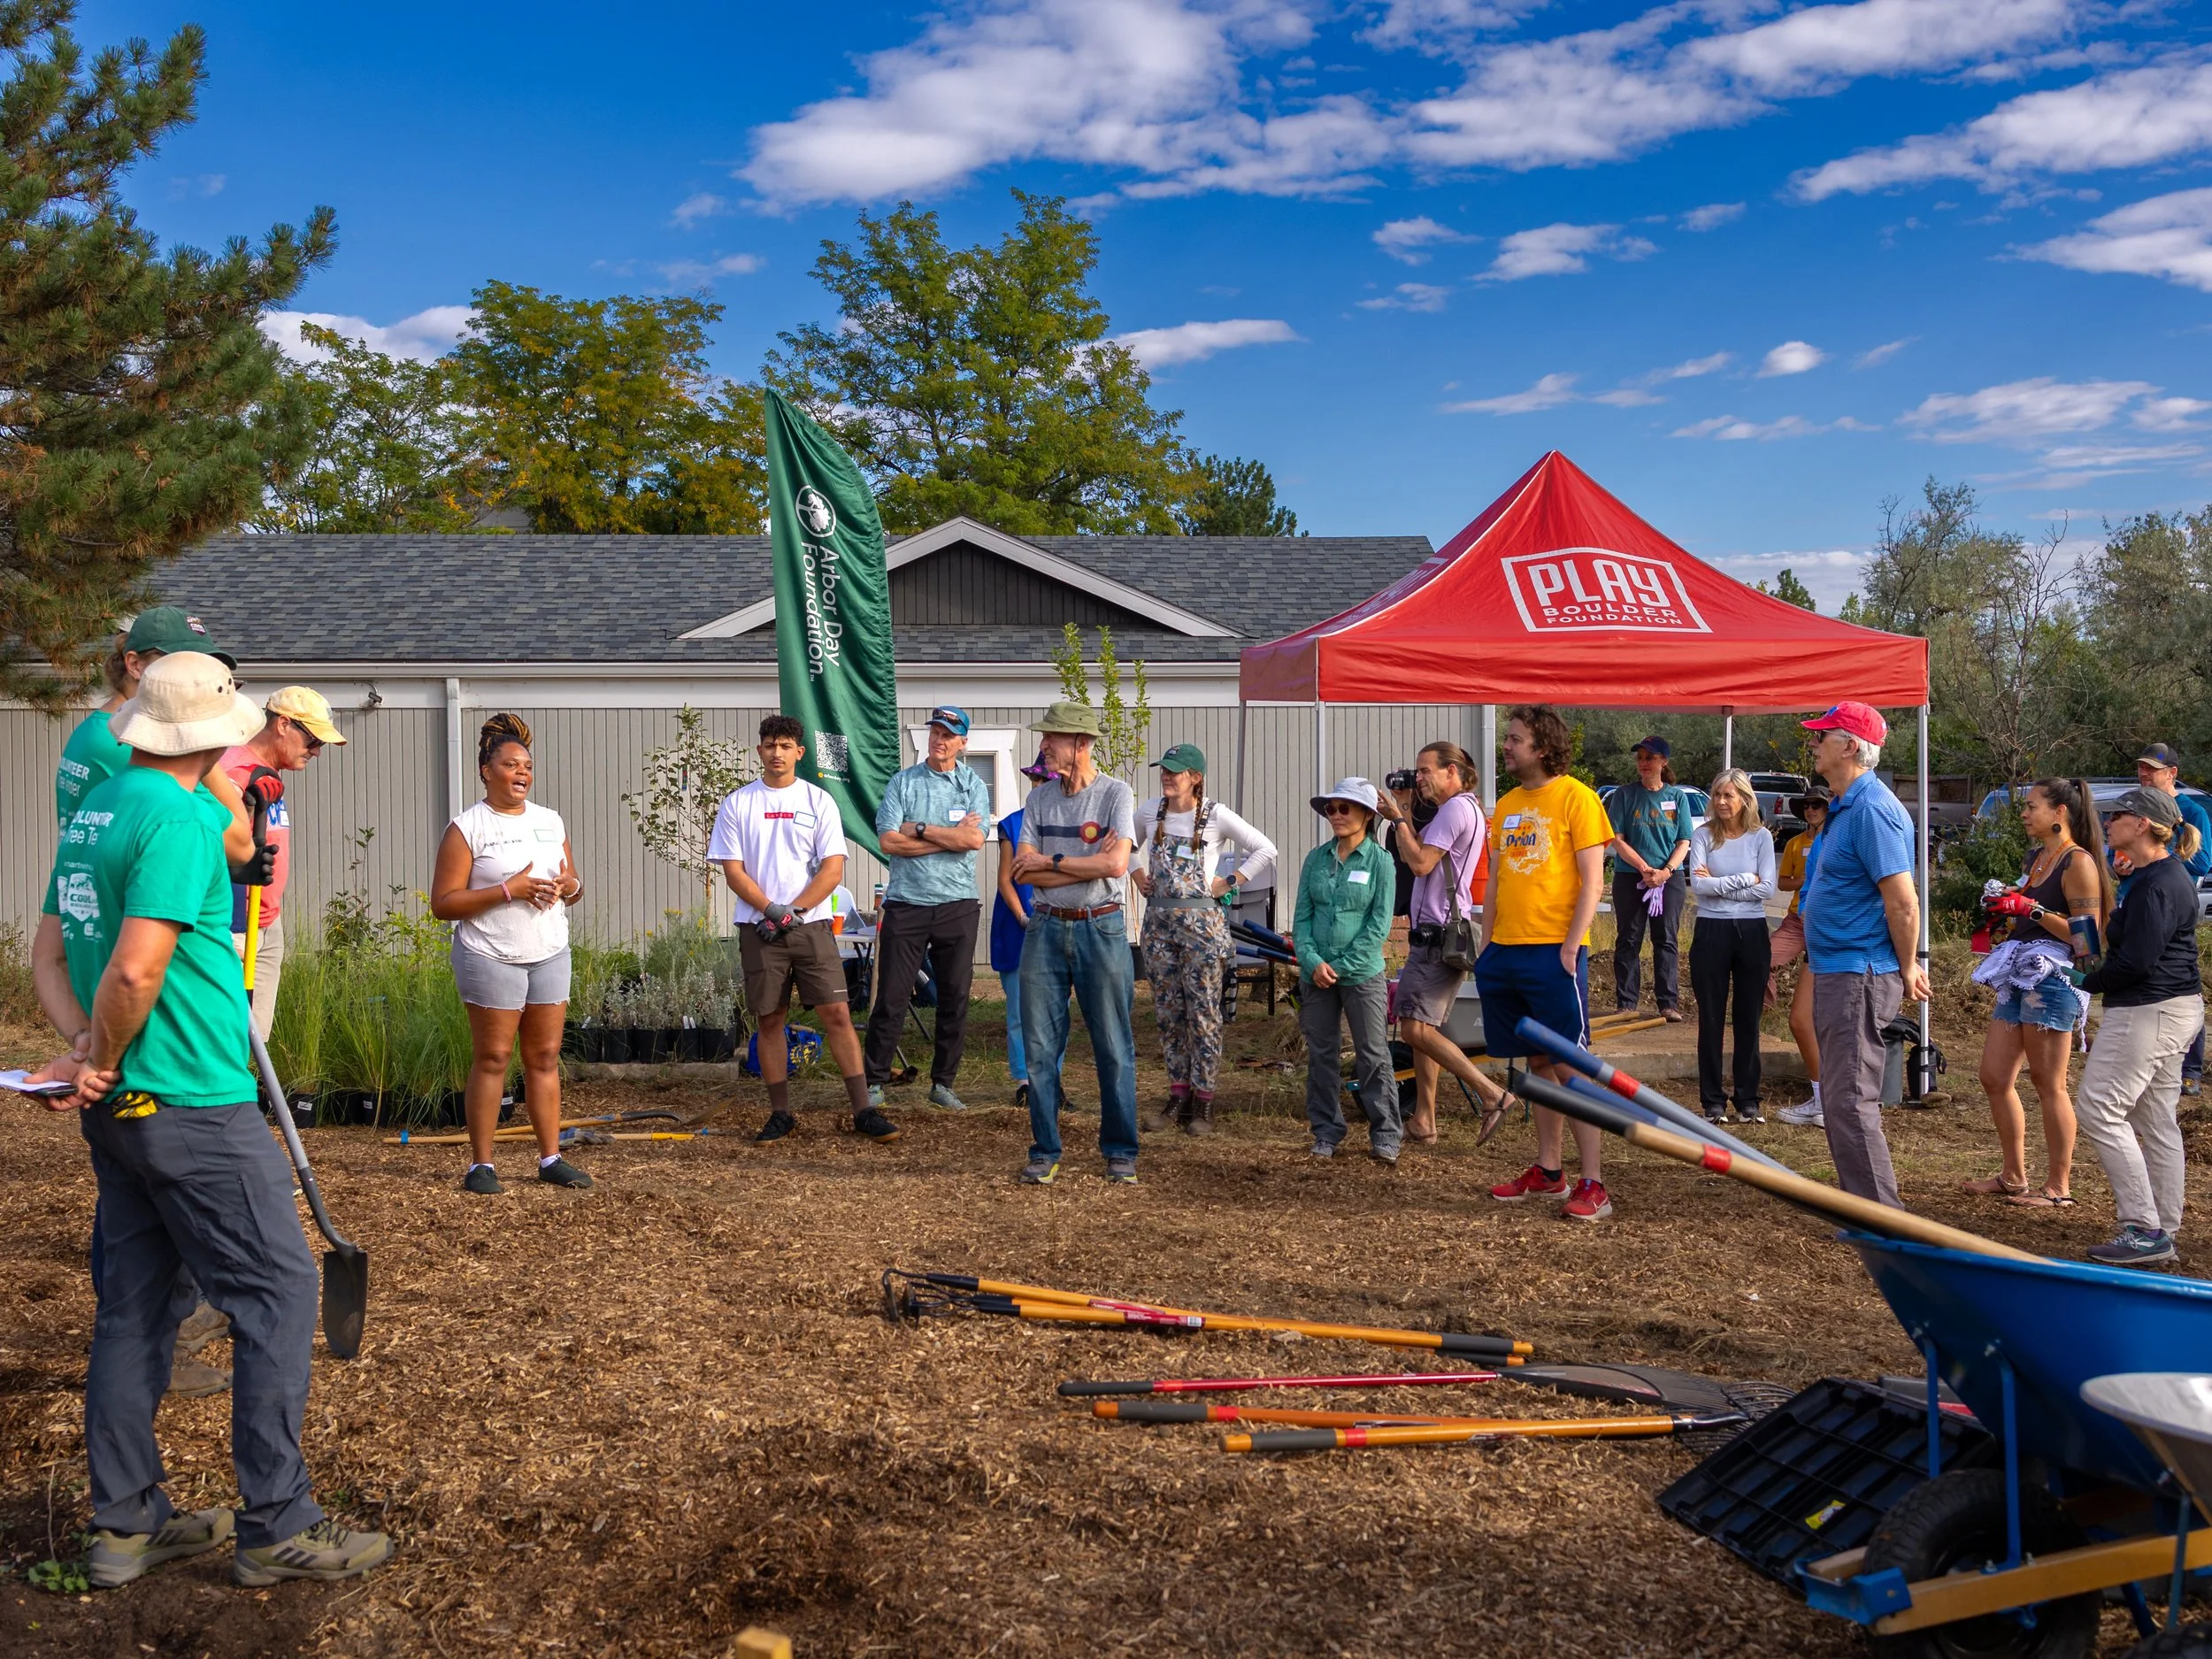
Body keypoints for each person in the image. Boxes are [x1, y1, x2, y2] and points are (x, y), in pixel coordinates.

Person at [27, 652, 392, 1588]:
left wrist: (78, 1051)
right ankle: (277, 1523)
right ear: (216, 733)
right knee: (276, 1294)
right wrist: (99, 1057)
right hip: (191, 1100)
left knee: (135, 1311)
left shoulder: (96, 812)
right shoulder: (182, 817)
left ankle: (127, 1525)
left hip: (122, 1119)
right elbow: (137, 969)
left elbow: (50, 953)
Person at [54, 608, 257, 1400]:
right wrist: (98, 1051)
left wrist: (80, 1037)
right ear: (138, 667)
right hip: (167, 1033)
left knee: (128, 1201)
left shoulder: (86, 744)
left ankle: (126, 1506)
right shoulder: (156, 784)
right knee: (270, 1279)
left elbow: (56, 924)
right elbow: (238, 846)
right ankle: (274, 1506)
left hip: (109, 976)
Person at [710, 715, 901, 1146]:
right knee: (771, 1018)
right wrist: (770, 910)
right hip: (760, 929)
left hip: (809, 926)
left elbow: (832, 869)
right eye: (769, 745)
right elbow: (733, 870)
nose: (776, 752)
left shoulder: (819, 801)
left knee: (837, 1015)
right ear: (758, 751)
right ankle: (781, 1115)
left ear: (799, 752)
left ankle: (863, 1111)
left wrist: (795, 910)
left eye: (785, 745)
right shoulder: (738, 803)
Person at [429, 715, 590, 1194]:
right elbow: (443, 904)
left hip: (548, 950)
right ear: (486, 770)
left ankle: (550, 1157)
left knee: (544, 1056)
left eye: (527, 766)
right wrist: (508, 889)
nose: (521, 773)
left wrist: (569, 886)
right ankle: (481, 1165)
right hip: (490, 953)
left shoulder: (549, 820)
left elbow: (574, 882)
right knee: (494, 1056)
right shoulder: (468, 828)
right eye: (510, 765)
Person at [1480, 707, 1617, 1220]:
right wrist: (1486, 943)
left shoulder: (1577, 798)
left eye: (1515, 739)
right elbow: (1495, 881)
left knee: (1571, 1065)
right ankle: (1549, 1173)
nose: (1507, 747)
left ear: (1542, 746)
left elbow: (1593, 881)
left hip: (1553, 950)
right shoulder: (1508, 804)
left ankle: (1594, 1183)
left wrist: (1571, 945)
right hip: (1506, 951)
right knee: (1537, 1065)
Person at [1798, 701, 1925, 1209]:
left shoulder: (1873, 809)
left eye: (1822, 735)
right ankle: (1863, 1203)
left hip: (1862, 972)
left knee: (1850, 1098)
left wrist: (1909, 963)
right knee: (1840, 1097)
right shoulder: (1847, 805)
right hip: (1841, 969)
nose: (1813, 743)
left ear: (1850, 746)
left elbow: (1902, 900)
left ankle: (1881, 1218)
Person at [1008, 700, 1138, 1186]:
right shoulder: (1040, 799)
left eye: (1052, 739)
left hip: (1100, 927)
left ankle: (1121, 1151)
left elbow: (1115, 867)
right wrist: (1077, 860)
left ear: (1080, 745)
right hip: (1044, 927)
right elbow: (1021, 865)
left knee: (1113, 1045)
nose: (1043, 746)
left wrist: (1051, 862)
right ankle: (1045, 1150)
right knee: (1040, 1048)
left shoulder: (1115, 794)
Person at [1962, 778, 2109, 1209]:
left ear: (2060, 812)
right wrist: (2006, 908)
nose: (2024, 813)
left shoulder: (2077, 863)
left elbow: (2088, 943)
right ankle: (2013, 1176)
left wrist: (2032, 909)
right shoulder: (2038, 857)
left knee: (2049, 1083)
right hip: (2020, 972)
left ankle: (2059, 1187)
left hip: (2055, 981)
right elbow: (2029, 914)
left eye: (2031, 806)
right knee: (1994, 1076)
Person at [2073, 787, 2203, 1265]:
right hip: (2174, 1007)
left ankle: (2144, 1227)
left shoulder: (2158, 885)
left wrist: (2090, 979)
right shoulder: (2157, 876)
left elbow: (2138, 963)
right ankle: (2162, 1228)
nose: (2109, 824)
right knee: (2153, 1117)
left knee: (2100, 1109)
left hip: (2149, 1010)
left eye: (2118, 816)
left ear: (2143, 824)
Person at [1133, 743, 1276, 1135]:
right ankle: (1177, 1094)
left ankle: (1204, 1100)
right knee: (1168, 1012)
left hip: (1202, 929)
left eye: (1174, 771)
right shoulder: (1150, 812)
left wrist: (1229, 882)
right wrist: (1135, 872)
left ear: (1195, 777)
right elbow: (1123, 843)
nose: (1166, 776)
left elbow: (1265, 849)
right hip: (1159, 926)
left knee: (1203, 1014)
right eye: (1163, 770)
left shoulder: (1216, 815)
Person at [1374, 741, 1511, 1144]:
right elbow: (1422, 851)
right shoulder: (1464, 808)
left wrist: (1398, 818)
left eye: (1425, 771)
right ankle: (1424, 1119)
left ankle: (1493, 1094)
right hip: (1441, 930)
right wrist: (1404, 812)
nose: (1419, 779)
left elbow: (1418, 864)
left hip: (1437, 933)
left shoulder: (1454, 809)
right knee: (1424, 1025)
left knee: (1415, 1030)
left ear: (1452, 771)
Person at [864, 706, 992, 1113]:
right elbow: (888, 841)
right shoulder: (903, 783)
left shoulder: (972, 784)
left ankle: (943, 1084)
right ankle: (874, 1080)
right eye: (935, 732)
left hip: (958, 905)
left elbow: (974, 841)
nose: (940, 740)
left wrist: (918, 829)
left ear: (962, 743)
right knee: (892, 995)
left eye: (949, 734)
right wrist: (948, 837)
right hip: (906, 904)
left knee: (954, 996)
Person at [223, 687, 346, 1040]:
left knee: (255, 1042)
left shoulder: (269, 777)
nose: (316, 752)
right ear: (282, 724)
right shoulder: (234, 767)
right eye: (312, 741)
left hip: (267, 922)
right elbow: (210, 841)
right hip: (233, 926)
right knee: (226, 1039)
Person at [1293, 778, 1400, 1162]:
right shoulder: (1315, 860)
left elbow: (1378, 928)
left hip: (1361, 974)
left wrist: (1337, 967)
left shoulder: (1381, 862)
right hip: (1315, 974)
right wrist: (1311, 962)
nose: (1335, 815)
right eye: (1331, 809)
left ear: (1368, 815)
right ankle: (1325, 1131)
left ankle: (1385, 1132)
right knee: (1322, 1054)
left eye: (1345, 808)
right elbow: (1302, 920)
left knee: (1372, 1054)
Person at [1687, 770, 1778, 1125]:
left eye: (1729, 796)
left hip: (1752, 930)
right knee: (1710, 1018)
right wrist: (1744, 880)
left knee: (1747, 1018)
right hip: (1711, 930)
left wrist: (1720, 884)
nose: (1722, 802)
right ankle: (1712, 1100)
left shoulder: (1761, 838)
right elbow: (1698, 885)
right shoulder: (1702, 835)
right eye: (1718, 795)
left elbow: (1767, 889)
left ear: (1744, 799)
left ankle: (1748, 1099)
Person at [2133, 744, 2211, 1097]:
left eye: (2152, 769)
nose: (2144, 774)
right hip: (2139, 901)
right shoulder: (2136, 805)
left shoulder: (2192, 811)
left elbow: (2203, 862)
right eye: (2141, 768)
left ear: (2172, 774)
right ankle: (2147, 1059)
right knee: (2143, 977)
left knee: (2180, 980)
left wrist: (2162, 857)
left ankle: (2191, 1069)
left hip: (2175, 904)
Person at [1606, 736, 1694, 1023]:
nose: (1644, 763)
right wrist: (1644, 868)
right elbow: (1616, 839)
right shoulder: (1624, 795)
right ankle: (1627, 1003)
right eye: (1640, 758)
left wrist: (1665, 871)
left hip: (1669, 877)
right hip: (1632, 876)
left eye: (1650, 758)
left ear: (1663, 762)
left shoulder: (1677, 797)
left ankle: (1668, 1003)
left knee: (1666, 939)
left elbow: (1684, 841)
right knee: (1629, 938)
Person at [1771, 787, 1830, 1127]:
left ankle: (1831, 1102)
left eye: (1817, 805)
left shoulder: (1841, 836)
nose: (1811, 810)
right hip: (1804, 922)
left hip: (1834, 934)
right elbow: (1788, 884)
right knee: (1803, 1019)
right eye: (1806, 806)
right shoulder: (1801, 844)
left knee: (1816, 1021)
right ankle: (1824, 1100)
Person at [992, 753, 1048, 1110]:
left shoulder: (1067, 824)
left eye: (1048, 781)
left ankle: (1050, 1080)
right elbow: (1005, 879)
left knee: (1052, 1008)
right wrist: (1022, 915)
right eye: (1037, 781)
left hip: (1056, 922)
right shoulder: (1012, 824)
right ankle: (1025, 1080)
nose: (1041, 787)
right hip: (1018, 926)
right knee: (1019, 1008)